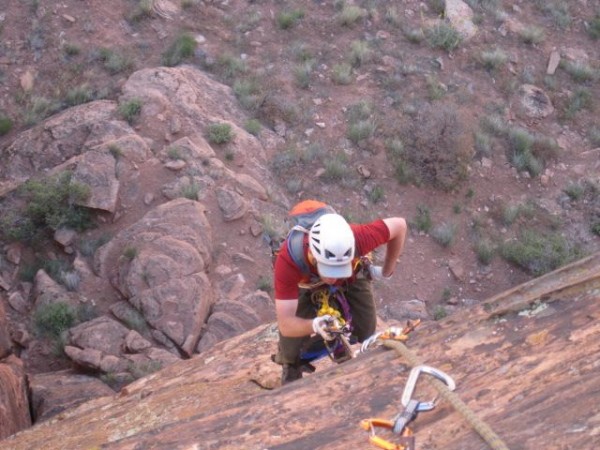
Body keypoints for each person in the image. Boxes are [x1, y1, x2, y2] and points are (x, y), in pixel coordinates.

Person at [272, 209, 408, 384]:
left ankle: (339, 335)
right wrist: (314, 325)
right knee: (290, 346)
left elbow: (399, 225)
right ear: (314, 255)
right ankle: (292, 365)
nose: (333, 278)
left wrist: (387, 271)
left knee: (366, 330)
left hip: (351, 273)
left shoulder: (358, 238)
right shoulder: (289, 260)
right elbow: (286, 324)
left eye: (337, 270)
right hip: (306, 282)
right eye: (329, 270)